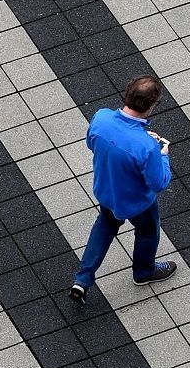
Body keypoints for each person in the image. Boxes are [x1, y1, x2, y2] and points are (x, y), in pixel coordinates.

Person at [69, 75, 177, 303]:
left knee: (104, 228)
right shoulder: (147, 146)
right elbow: (159, 183)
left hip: (107, 192)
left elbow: (93, 143)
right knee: (147, 232)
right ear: (151, 105)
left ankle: (82, 279)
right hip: (138, 203)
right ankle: (144, 271)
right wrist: (163, 156)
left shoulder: (101, 118)